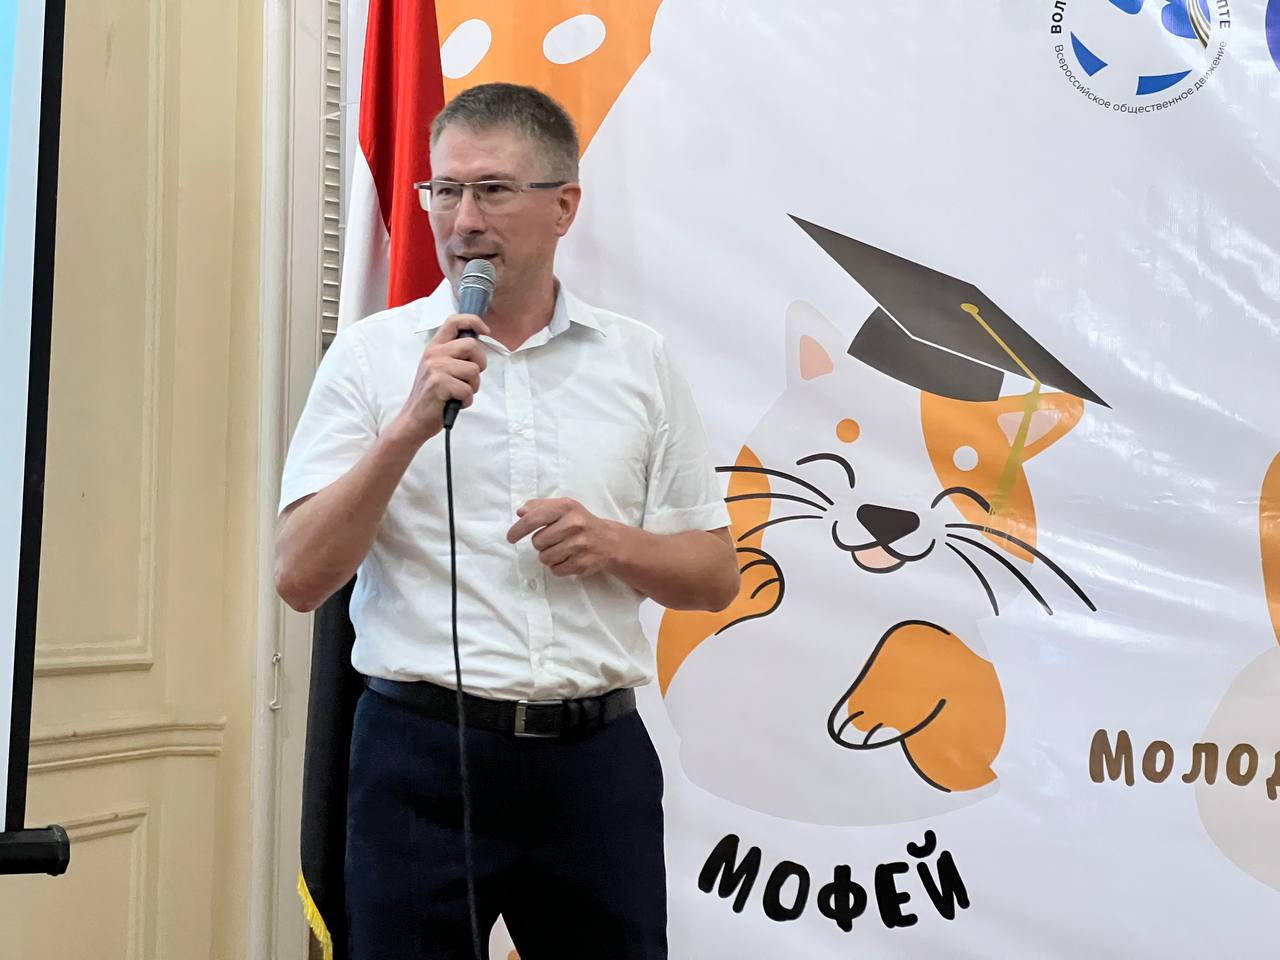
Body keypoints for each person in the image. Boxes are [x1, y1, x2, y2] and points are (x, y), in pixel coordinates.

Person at [274, 82, 740, 960]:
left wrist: (614, 544)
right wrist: (408, 428)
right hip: (418, 760)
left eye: (492, 190)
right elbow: (299, 576)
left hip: (593, 765)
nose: (463, 221)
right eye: (444, 190)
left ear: (564, 206)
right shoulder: (372, 357)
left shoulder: (638, 360)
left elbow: (716, 578)